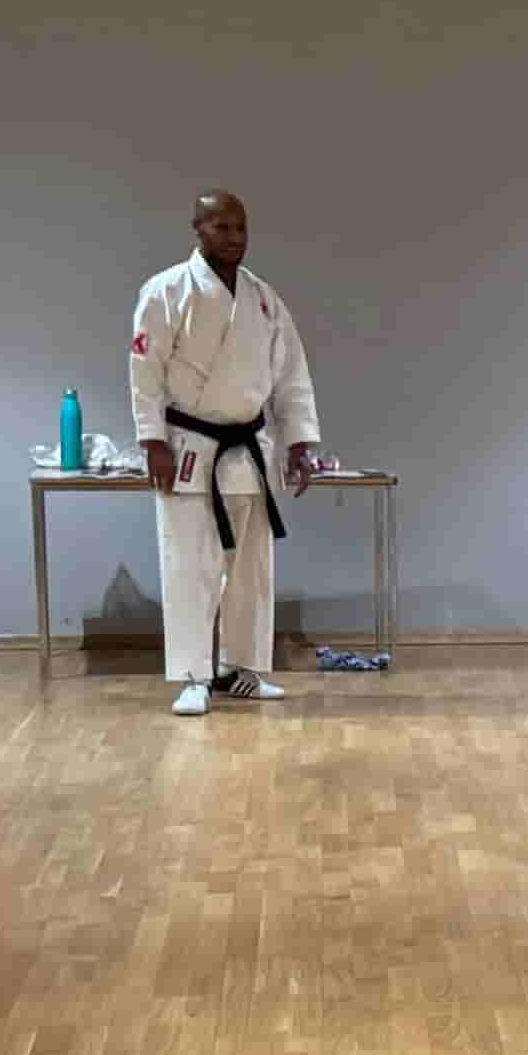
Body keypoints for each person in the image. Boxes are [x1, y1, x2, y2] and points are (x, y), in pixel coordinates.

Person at [128, 189, 336, 718]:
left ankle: (240, 669)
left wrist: (299, 444)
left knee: (252, 567)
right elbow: (144, 373)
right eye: (222, 227)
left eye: (241, 228)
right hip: (190, 447)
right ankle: (194, 675)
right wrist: (152, 441)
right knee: (191, 565)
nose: (234, 237)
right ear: (197, 228)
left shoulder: (264, 299)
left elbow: (291, 377)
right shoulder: (166, 291)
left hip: (248, 448)